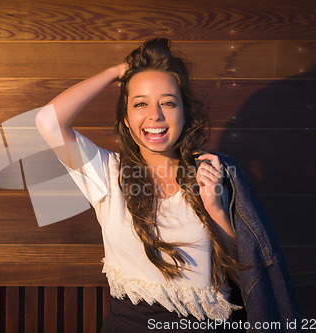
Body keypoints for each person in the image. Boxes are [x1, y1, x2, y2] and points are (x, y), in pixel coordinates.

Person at [35, 39, 301, 332]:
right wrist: (116, 71)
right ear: (126, 118)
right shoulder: (106, 172)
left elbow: (246, 276)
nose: (155, 115)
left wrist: (216, 210)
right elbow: (48, 120)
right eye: (140, 103)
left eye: (167, 102)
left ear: (185, 114)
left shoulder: (212, 172)